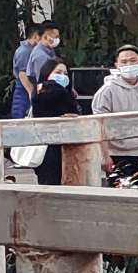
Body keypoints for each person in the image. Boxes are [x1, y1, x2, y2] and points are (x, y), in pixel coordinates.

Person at [92, 43, 138, 186]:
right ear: (117, 65)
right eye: (124, 62)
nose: (129, 64)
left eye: (133, 60)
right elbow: (99, 126)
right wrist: (105, 156)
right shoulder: (107, 91)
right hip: (118, 155)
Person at [28, 53, 80, 185]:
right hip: (48, 149)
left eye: (65, 73)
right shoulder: (44, 92)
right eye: (58, 72)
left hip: (68, 148)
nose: (62, 76)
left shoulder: (65, 93)